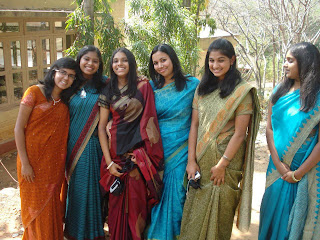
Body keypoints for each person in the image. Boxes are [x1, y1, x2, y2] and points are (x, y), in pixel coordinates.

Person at [179, 38, 260, 240]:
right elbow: (195, 125)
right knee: (193, 217)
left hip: (224, 165)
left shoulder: (242, 92)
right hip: (200, 162)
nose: (215, 65)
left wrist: (222, 165)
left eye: (221, 60)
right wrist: (191, 161)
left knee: (219, 218)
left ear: (232, 60)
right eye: (211, 60)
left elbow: (241, 134)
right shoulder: (203, 88)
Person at [98, 47, 164, 240]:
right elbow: (102, 127)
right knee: (115, 209)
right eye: (116, 60)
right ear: (111, 64)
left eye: (124, 60)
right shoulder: (108, 89)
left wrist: (142, 154)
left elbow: (149, 121)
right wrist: (109, 163)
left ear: (131, 63)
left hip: (137, 157)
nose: (120, 64)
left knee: (137, 208)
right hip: (115, 156)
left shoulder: (143, 86)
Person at [259, 42, 320, 240]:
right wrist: (278, 164)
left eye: (290, 60)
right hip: (276, 170)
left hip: (303, 173)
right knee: (269, 217)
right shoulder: (279, 91)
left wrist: (297, 174)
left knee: (291, 228)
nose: (284, 64)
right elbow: (269, 128)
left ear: (306, 63)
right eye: (285, 60)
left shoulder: (316, 98)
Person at [15, 57, 79, 240]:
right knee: (34, 209)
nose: (66, 78)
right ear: (54, 71)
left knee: (51, 207)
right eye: (63, 73)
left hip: (53, 165)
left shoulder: (66, 103)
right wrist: (25, 164)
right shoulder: (34, 93)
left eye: (71, 76)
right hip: (31, 164)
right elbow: (18, 129)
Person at [146, 43, 199, 240]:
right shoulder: (150, 87)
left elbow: (202, 116)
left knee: (177, 198)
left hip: (182, 152)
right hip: (156, 153)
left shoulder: (192, 85)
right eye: (156, 63)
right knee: (156, 198)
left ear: (172, 59)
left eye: (163, 60)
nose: (160, 66)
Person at [64, 45, 106, 240]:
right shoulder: (69, 83)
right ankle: (74, 231)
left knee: (91, 189)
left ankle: (93, 232)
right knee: (76, 189)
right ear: (79, 60)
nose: (90, 63)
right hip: (71, 145)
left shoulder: (105, 84)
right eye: (86, 59)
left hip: (93, 146)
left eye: (95, 61)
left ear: (99, 65)